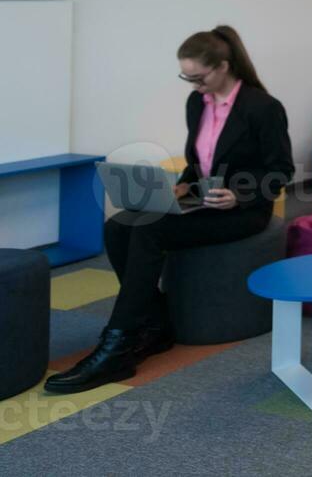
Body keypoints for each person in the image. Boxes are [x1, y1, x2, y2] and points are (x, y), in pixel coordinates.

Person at [47, 26, 293, 394]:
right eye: (186, 77)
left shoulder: (263, 108)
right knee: (119, 225)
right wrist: (181, 184)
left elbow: (281, 171)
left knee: (149, 230)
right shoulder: (198, 103)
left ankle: (117, 345)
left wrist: (239, 195)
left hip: (243, 210)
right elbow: (199, 162)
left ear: (223, 66)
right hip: (202, 200)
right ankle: (154, 321)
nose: (193, 85)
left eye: (198, 76)